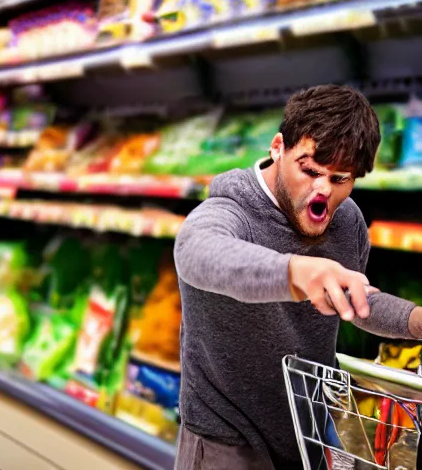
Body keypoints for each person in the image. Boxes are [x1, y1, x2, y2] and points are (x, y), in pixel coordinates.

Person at [173, 85, 422, 470]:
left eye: (340, 179)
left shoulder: (347, 220)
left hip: (308, 429)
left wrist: (414, 320)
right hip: (226, 440)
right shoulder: (230, 210)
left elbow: (352, 299)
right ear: (277, 147)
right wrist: (296, 272)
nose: (322, 189)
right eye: (309, 170)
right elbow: (196, 252)